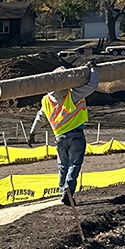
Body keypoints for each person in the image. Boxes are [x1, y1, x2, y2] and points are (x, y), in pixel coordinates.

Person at [40, 62, 95, 206]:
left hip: (59, 137)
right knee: (74, 164)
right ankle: (68, 191)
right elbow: (92, 85)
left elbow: (40, 116)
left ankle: (62, 192)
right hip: (76, 135)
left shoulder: (46, 100)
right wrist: (93, 70)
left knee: (63, 166)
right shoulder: (72, 95)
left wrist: (32, 132)